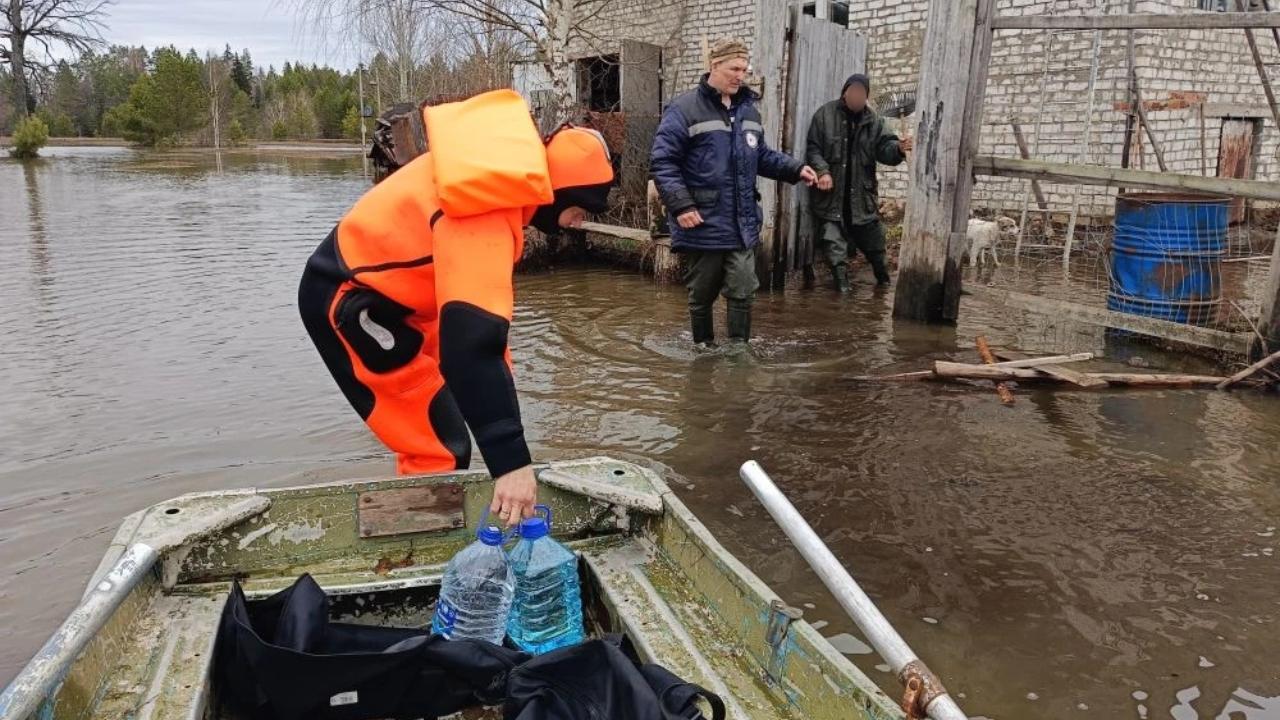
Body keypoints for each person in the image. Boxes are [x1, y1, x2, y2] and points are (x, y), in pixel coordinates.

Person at [298, 90, 614, 526]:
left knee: (482, 393)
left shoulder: (500, 180)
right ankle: (421, 549)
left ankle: (435, 526)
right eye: (583, 207)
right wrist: (512, 464)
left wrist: (501, 408)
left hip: (404, 299)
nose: (581, 221)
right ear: (560, 191)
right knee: (439, 445)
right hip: (353, 303)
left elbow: (487, 337)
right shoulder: (483, 211)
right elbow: (472, 345)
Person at [650, 38, 817, 347]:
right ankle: (703, 349)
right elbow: (663, 161)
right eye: (734, 68)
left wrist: (794, 169)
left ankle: (738, 353)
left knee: (743, 289)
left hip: (741, 221)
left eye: (744, 69)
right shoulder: (684, 109)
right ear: (714, 66)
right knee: (702, 294)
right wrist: (681, 205)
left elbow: (761, 156)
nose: (741, 75)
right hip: (702, 220)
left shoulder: (748, 112)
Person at [805, 73, 912, 292]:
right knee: (834, 249)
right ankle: (842, 291)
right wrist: (822, 171)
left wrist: (899, 149)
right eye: (852, 91)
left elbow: (886, 150)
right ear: (845, 92)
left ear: (866, 96)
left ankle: (883, 284)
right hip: (831, 198)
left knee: (876, 248)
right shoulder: (824, 115)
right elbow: (813, 148)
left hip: (861, 199)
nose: (856, 96)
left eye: (861, 93)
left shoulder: (874, 122)